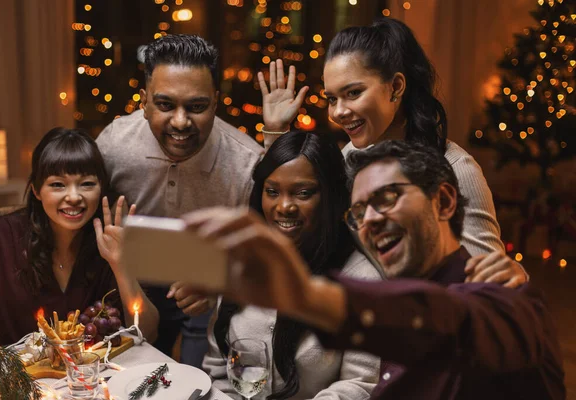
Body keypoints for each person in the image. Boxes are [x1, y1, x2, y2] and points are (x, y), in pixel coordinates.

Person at [181, 140, 566, 399]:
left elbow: (453, 321)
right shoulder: (395, 297)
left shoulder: (504, 294)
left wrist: (303, 294)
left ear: (444, 201)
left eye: (387, 199)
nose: (371, 221)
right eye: (360, 211)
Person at [0, 34, 264, 366]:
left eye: (196, 107)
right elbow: (75, 192)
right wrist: (7, 216)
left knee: (198, 375)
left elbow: (263, 251)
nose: (181, 121)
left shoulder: (245, 164)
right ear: (144, 102)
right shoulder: (115, 144)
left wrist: (219, 277)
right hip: (133, 267)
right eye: (166, 104)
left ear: (216, 100)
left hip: (203, 279)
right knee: (146, 364)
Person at [259, 18, 520, 278]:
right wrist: (276, 132)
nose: (338, 112)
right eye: (331, 99)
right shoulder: (349, 157)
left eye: (353, 93)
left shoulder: (456, 168)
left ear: (395, 87)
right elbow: (302, 223)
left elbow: (488, 285)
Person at [203, 131, 380, 399]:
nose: (284, 206)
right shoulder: (239, 260)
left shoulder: (361, 280)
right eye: (272, 192)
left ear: (330, 197)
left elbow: (361, 383)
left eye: (303, 193)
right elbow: (218, 368)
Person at [0, 128, 158, 345]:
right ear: (36, 190)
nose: (74, 197)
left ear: (101, 188)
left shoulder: (109, 240)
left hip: (90, 376)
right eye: (57, 185)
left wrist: (120, 265)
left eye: (87, 184)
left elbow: (147, 334)